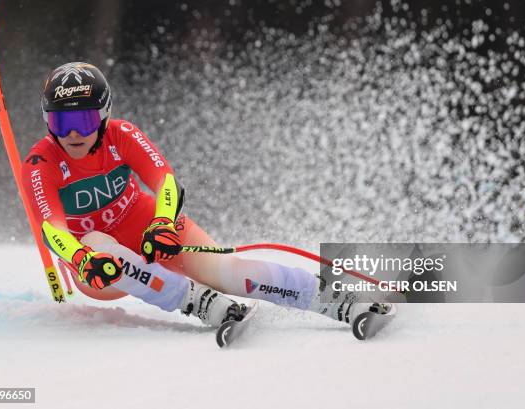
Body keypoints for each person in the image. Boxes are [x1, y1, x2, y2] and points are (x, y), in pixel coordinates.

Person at [22, 62, 389, 328]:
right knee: (99, 242)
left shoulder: (122, 135)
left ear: (103, 115)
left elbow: (164, 180)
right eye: (60, 122)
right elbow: (52, 231)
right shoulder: (41, 163)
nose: (72, 134)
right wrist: (83, 259)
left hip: (151, 233)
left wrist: (162, 224)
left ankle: (337, 300)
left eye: (82, 121)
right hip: (97, 268)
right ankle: (195, 301)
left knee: (227, 273)